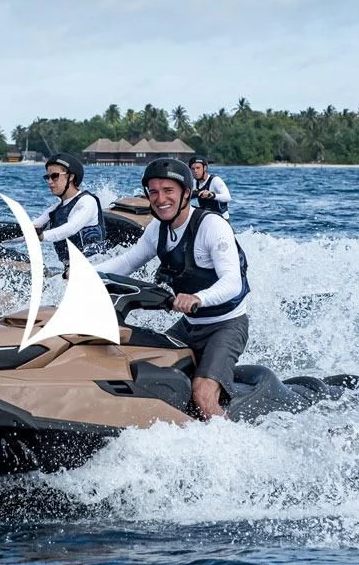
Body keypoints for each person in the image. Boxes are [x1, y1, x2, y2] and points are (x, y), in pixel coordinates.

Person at [96, 158, 249, 420]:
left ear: (186, 193)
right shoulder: (157, 229)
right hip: (189, 325)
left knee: (202, 395)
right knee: (144, 370)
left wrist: (198, 298)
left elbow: (232, 282)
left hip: (226, 325)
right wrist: (86, 273)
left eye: (168, 191)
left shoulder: (211, 226)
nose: (160, 199)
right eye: (153, 192)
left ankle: (233, 440)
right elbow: (128, 261)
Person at [31, 152, 106, 274]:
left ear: (70, 177)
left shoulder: (87, 202)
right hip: (68, 272)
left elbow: (71, 228)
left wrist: (42, 236)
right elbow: (29, 229)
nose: (50, 182)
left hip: (95, 269)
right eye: (47, 177)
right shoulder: (54, 210)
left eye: (54, 176)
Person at [188, 155, 231, 221]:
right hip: (207, 218)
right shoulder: (194, 182)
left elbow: (227, 197)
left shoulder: (215, 180)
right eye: (193, 169)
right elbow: (187, 196)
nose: (195, 171)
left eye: (198, 168)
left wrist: (212, 195)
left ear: (205, 168)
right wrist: (197, 193)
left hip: (222, 219)